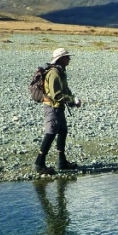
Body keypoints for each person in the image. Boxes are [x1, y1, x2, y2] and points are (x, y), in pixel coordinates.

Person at [34, 47, 83, 175]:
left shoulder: (60, 71)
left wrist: (72, 99)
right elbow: (56, 95)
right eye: (67, 57)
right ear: (61, 59)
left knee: (62, 131)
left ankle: (62, 162)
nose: (69, 59)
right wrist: (72, 101)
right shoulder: (54, 73)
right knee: (50, 133)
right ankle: (39, 163)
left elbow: (65, 90)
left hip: (58, 107)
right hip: (52, 107)